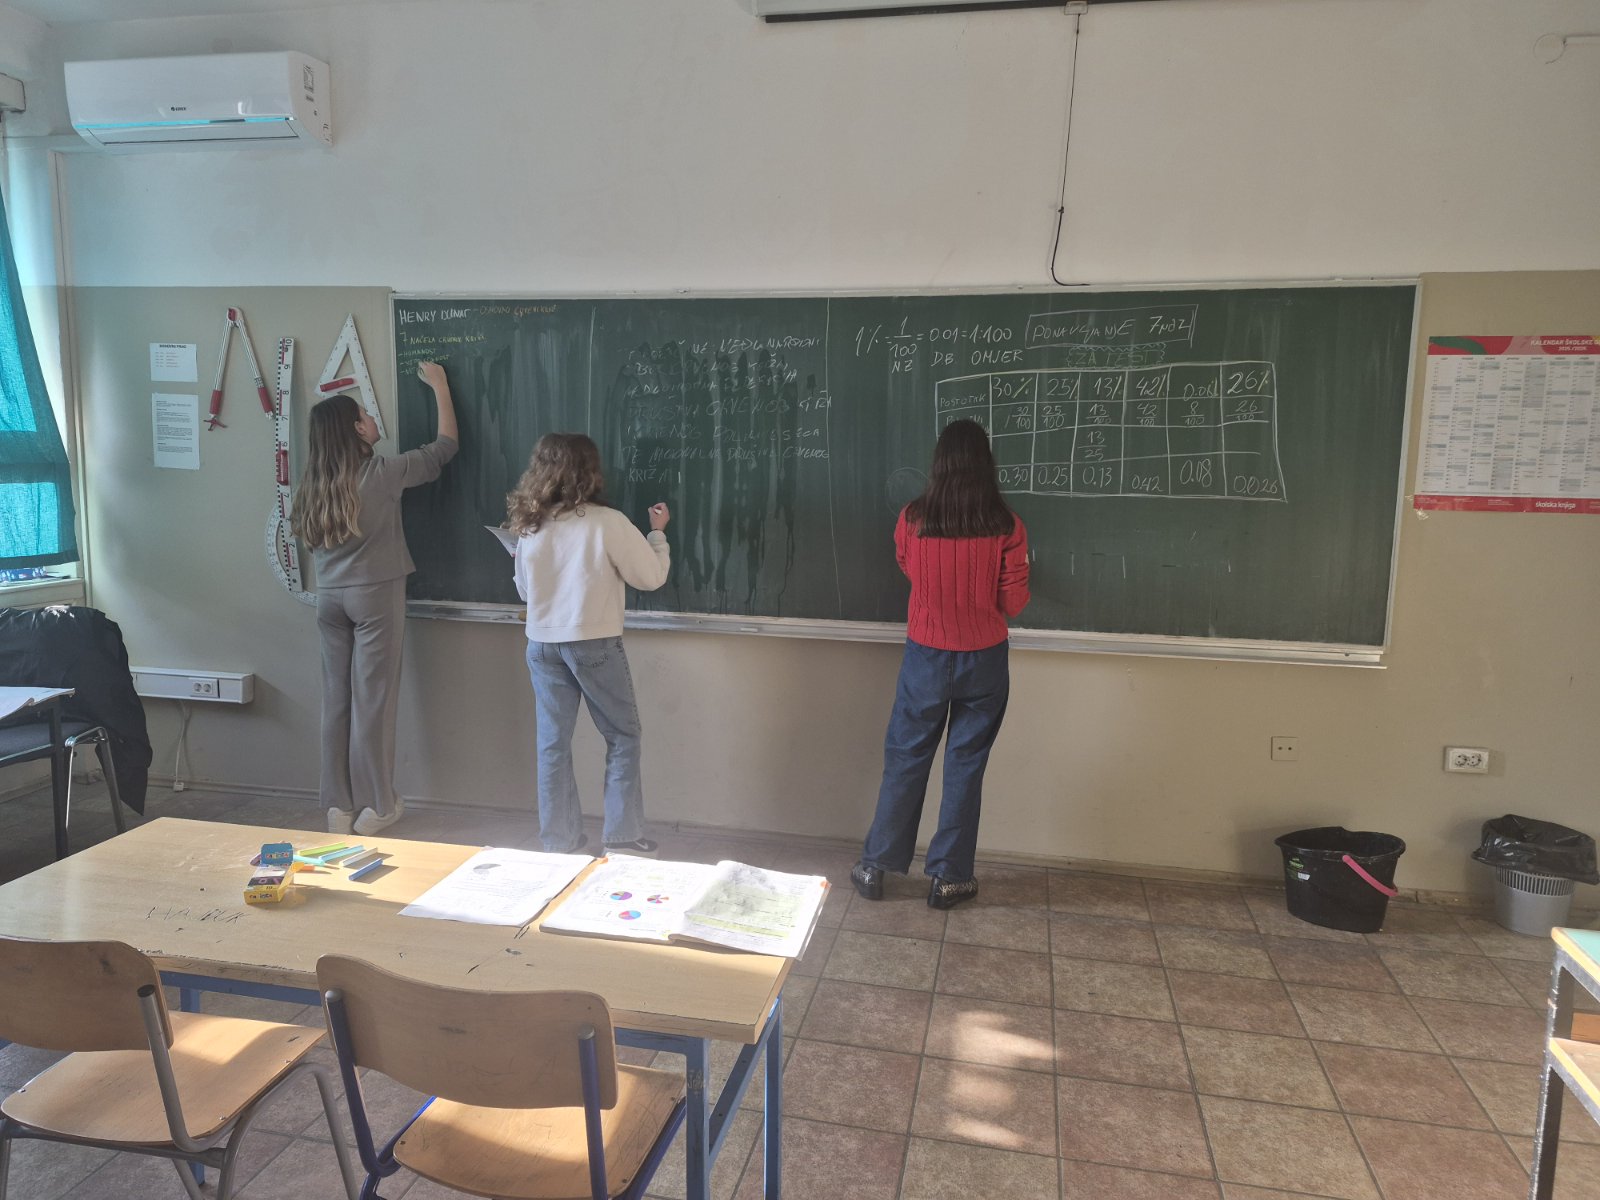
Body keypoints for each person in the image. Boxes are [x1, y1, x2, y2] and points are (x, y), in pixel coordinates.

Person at [851, 418, 1031, 910]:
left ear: (939, 464)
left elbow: (908, 568)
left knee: (906, 758)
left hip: (925, 656)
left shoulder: (912, 519)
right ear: (986, 464)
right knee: (965, 765)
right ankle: (949, 879)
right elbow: (1014, 602)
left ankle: (874, 866)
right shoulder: (1007, 525)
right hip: (984, 659)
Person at [291, 362, 457, 836]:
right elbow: (445, 448)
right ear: (357, 430)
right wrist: (440, 387)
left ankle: (339, 806)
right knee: (373, 703)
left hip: (329, 599)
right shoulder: (381, 473)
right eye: (364, 414)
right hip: (374, 596)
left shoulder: (312, 486)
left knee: (336, 702)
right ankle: (378, 804)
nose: (371, 418)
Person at [506, 433, 670, 856]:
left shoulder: (530, 525)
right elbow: (650, 577)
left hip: (542, 644)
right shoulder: (607, 522)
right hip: (592, 643)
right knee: (623, 735)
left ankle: (559, 842)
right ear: (590, 471)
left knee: (552, 745)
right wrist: (657, 536)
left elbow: (525, 592)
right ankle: (623, 838)